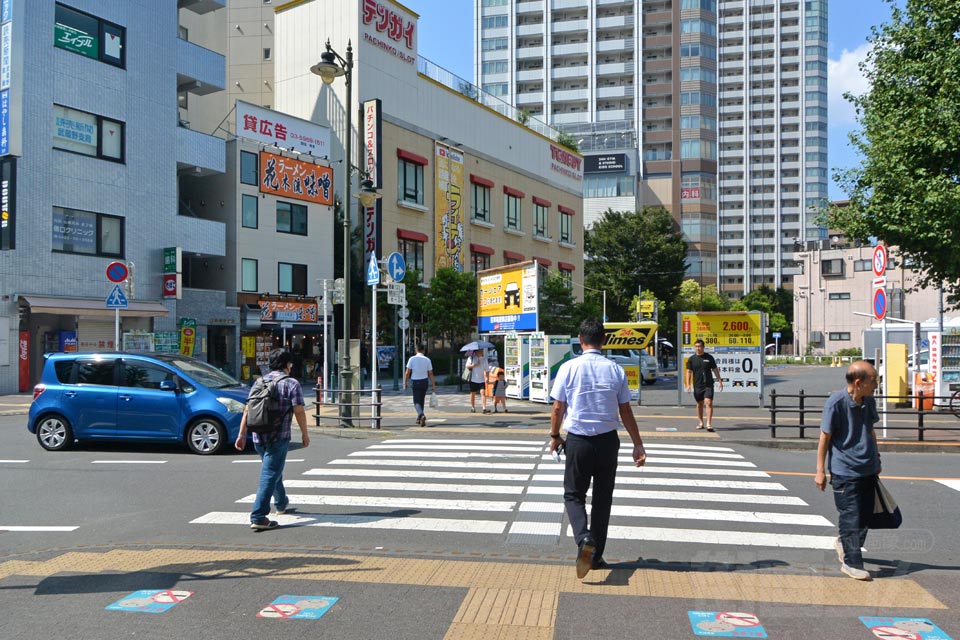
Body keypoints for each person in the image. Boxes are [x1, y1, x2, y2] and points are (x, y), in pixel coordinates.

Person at [549, 318, 647, 579]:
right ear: (603, 340)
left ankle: (583, 539)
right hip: (607, 442)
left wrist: (555, 435)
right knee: (602, 501)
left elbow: (558, 407)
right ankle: (596, 556)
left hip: (578, 441)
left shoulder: (568, 368)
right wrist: (637, 443)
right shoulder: (615, 370)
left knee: (573, 495)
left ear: (581, 340)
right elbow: (625, 410)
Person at [815, 360, 881, 581]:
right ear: (859, 382)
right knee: (850, 515)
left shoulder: (869, 401)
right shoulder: (836, 403)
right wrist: (820, 471)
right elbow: (825, 437)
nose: (876, 384)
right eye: (874, 380)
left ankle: (845, 543)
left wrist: (877, 458)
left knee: (865, 517)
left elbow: (870, 431)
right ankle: (852, 562)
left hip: (868, 468)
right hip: (844, 470)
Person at [234, 348, 310, 531]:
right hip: (279, 436)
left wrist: (241, 434)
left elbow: (247, 409)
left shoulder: (259, 381)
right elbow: (299, 411)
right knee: (270, 473)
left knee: (273, 470)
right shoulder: (291, 383)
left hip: (258, 435)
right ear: (288, 364)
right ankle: (259, 516)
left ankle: (281, 502)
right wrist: (305, 434)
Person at [684, 338, 723, 431]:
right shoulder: (692, 359)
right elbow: (688, 372)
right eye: (696, 346)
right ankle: (701, 422)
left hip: (708, 384)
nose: (698, 348)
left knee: (708, 402)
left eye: (700, 346)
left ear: (703, 347)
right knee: (699, 404)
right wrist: (688, 384)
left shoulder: (709, 358)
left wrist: (720, 381)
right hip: (698, 385)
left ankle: (709, 423)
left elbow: (715, 370)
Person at [403, 342, 436, 427]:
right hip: (424, 381)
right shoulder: (427, 360)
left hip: (415, 381)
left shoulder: (412, 359)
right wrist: (433, 384)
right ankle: (419, 418)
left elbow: (407, 372)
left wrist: (405, 382)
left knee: (416, 401)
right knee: (422, 399)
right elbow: (431, 373)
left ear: (416, 350)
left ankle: (421, 415)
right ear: (424, 350)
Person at [466, 349, 489, 414]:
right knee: (472, 394)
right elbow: (467, 366)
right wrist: (475, 365)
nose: (481, 352)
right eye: (480, 351)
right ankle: (472, 407)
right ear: (476, 352)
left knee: (483, 393)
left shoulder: (484, 359)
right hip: (473, 379)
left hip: (481, 379)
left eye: (482, 351)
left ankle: (484, 408)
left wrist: (487, 377)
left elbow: (487, 370)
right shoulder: (471, 358)